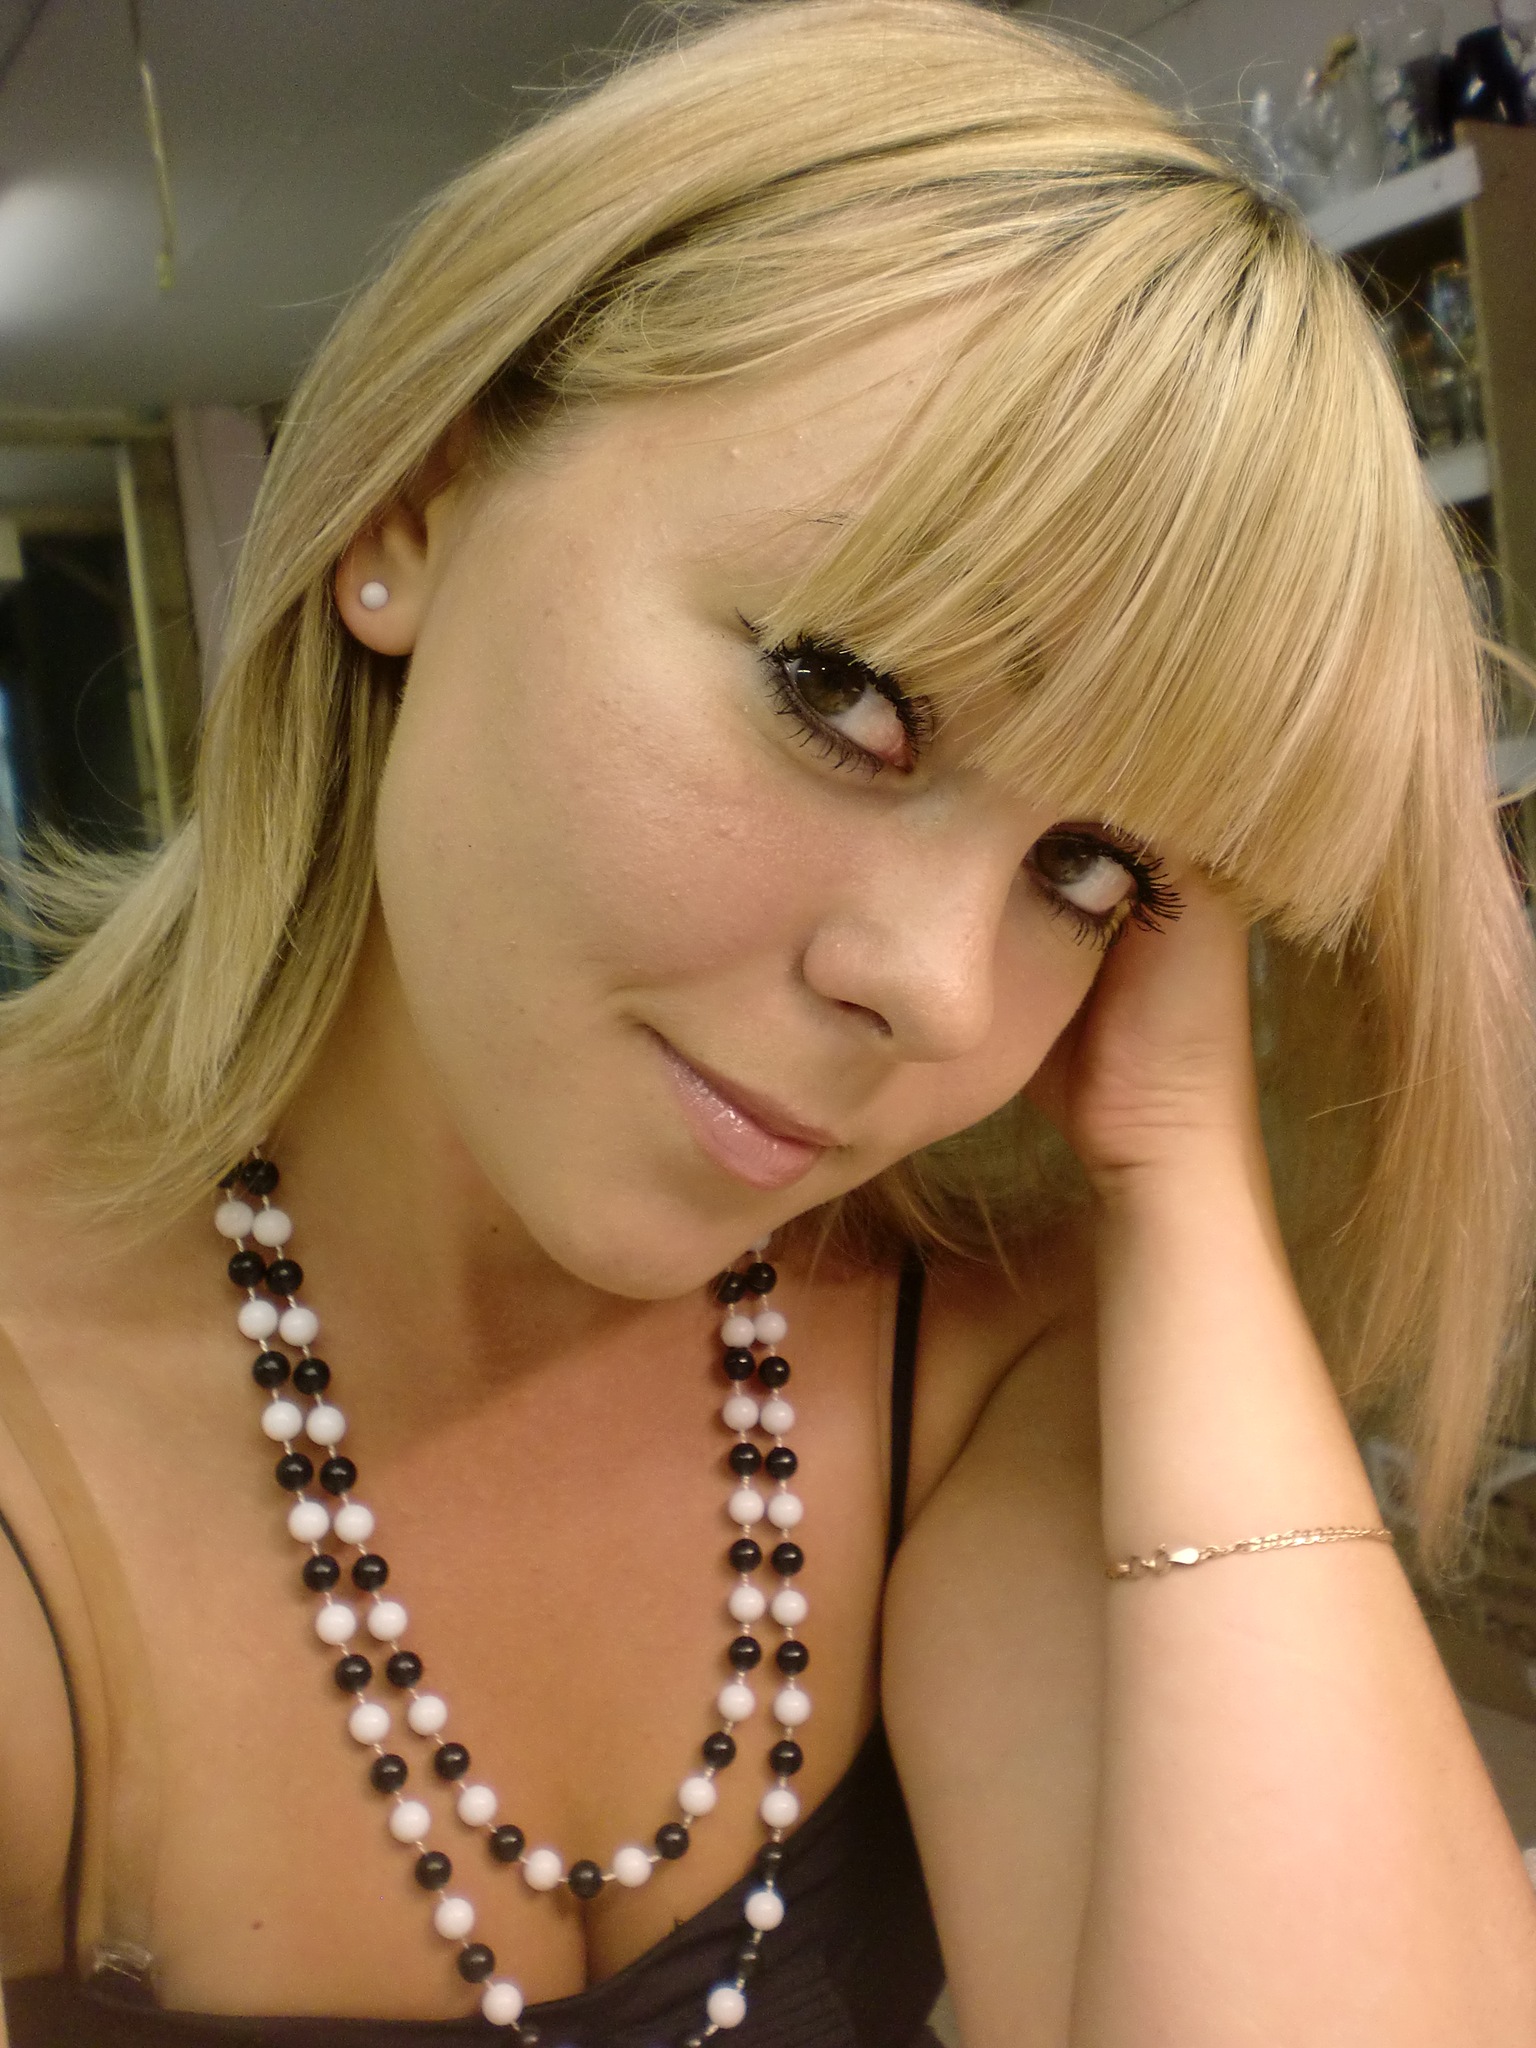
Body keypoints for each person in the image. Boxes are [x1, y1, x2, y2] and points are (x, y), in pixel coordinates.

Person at [1, 2, 1534, 2043]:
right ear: (412, 510)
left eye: (1092, 869)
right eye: (843, 694)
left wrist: (1181, 1167)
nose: (940, 990)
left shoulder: (974, 1351)